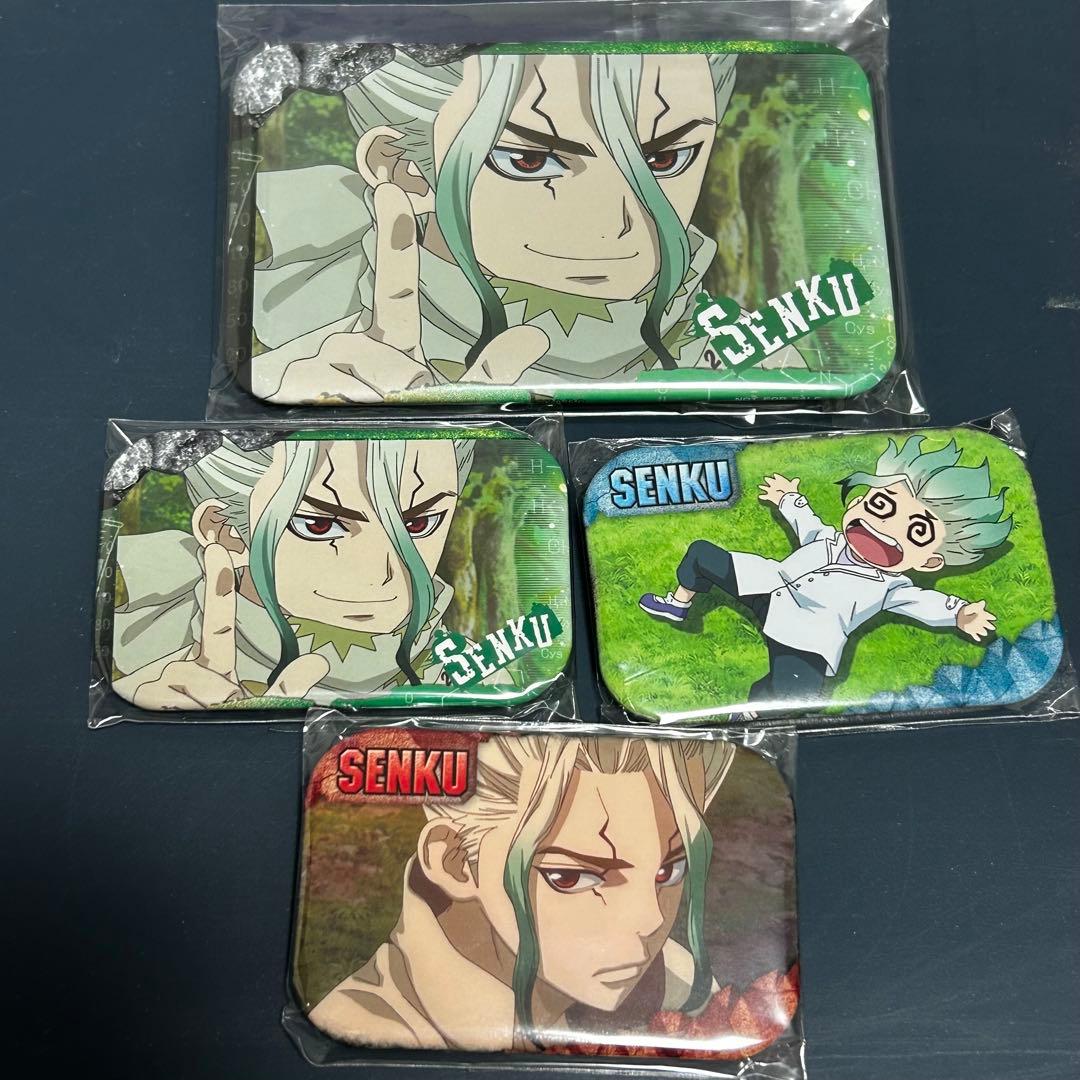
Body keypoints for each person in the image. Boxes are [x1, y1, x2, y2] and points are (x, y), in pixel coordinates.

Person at [251, 49, 805, 403]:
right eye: (529, 161)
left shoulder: (759, 360)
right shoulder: (313, 378)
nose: (621, 226)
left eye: (664, 159)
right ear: (404, 168)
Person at [308, 732, 795, 1053]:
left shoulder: (677, 979)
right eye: (572, 876)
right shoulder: (360, 1023)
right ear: (454, 859)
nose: (650, 920)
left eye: (669, 869)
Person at [640, 436, 1013, 706]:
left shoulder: (892, 586)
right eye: (882, 505)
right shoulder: (827, 538)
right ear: (859, 502)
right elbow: (806, 521)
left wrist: (958, 613)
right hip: (766, 584)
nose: (884, 526)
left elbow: (924, 601)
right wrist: (788, 497)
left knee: (794, 690)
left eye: (916, 531)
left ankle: (753, 709)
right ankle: (678, 604)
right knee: (702, 554)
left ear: (928, 562)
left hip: (807, 634)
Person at [111, 435, 476, 707]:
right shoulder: (148, 678)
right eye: (319, 525)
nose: (382, 575)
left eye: (418, 523)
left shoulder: (482, 675)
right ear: (226, 530)